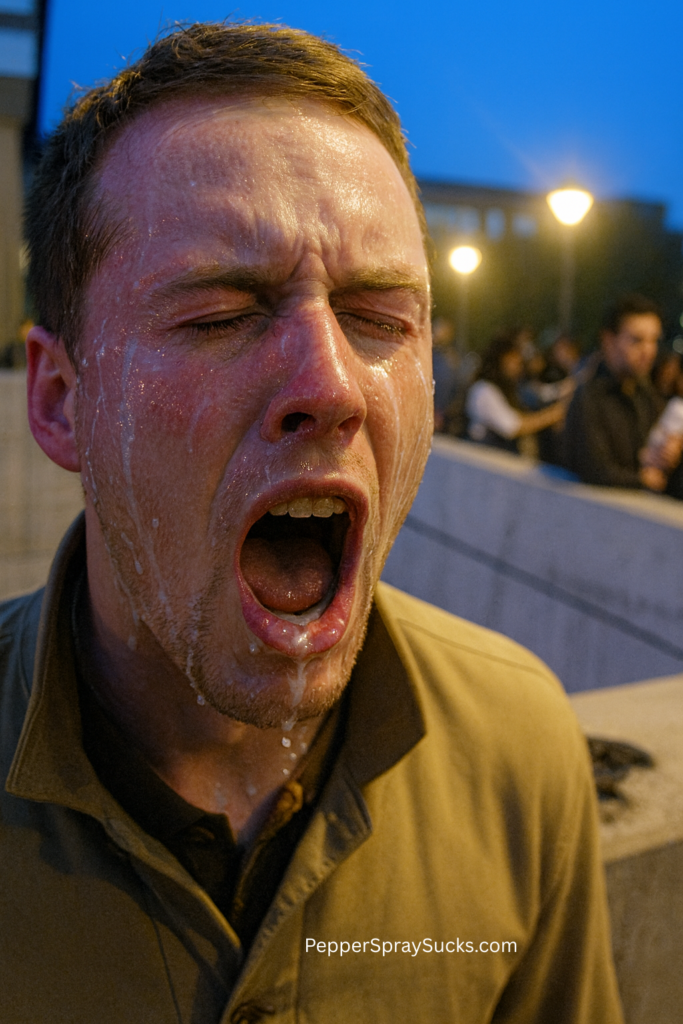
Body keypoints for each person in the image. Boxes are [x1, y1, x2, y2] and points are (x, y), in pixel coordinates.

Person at [0, 22, 622, 1024]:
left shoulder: (521, 751)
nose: (330, 385)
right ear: (61, 399)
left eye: (377, 317)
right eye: (217, 315)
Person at [563, 294, 679, 492]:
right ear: (609, 340)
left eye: (654, 340)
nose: (649, 351)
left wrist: (673, 452)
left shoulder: (647, 396)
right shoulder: (589, 397)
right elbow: (595, 469)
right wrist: (641, 480)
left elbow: (653, 456)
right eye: (637, 340)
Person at [465, 333, 570, 457]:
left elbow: (541, 394)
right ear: (499, 361)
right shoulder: (484, 390)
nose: (518, 368)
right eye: (513, 362)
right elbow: (512, 427)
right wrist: (554, 414)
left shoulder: (506, 388)